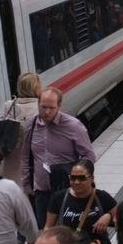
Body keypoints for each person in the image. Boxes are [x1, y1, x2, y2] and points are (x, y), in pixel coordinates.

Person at [22, 87, 97, 229]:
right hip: (42, 190)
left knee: (68, 232)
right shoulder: (30, 125)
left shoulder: (73, 126)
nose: (47, 112)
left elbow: (89, 156)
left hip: (68, 190)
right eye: (43, 107)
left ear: (59, 106)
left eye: (51, 108)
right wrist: (26, 184)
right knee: (46, 231)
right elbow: (25, 157)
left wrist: (79, 176)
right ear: (38, 104)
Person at [46, 160, 118, 244]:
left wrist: (108, 217)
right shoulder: (59, 198)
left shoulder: (102, 198)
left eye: (81, 178)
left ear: (92, 178)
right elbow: (48, 228)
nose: (76, 182)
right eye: (72, 178)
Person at [0, 71, 42, 185]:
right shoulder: (42, 107)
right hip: (33, 166)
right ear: (36, 88)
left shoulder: (8, 106)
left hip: (10, 163)